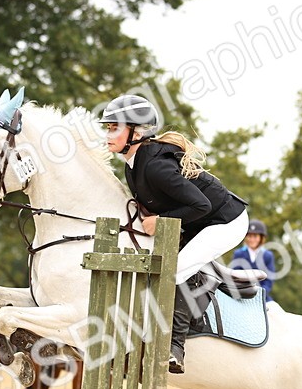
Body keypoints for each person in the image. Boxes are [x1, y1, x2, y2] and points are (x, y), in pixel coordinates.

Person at [100, 94, 248, 373]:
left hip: (225, 221)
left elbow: (201, 205)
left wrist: (162, 220)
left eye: (114, 127)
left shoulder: (155, 166)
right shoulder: (132, 164)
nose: (108, 133)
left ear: (137, 132)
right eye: (108, 128)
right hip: (197, 221)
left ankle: (174, 347)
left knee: (175, 271)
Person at [230, 219, 276, 302]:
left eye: (255, 236)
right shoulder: (238, 254)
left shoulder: (267, 255)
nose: (252, 239)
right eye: (249, 236)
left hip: (262, 297)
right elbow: (235, 276)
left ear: (261, 237)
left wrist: (258, 293)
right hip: (242, 295)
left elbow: (269, 281)